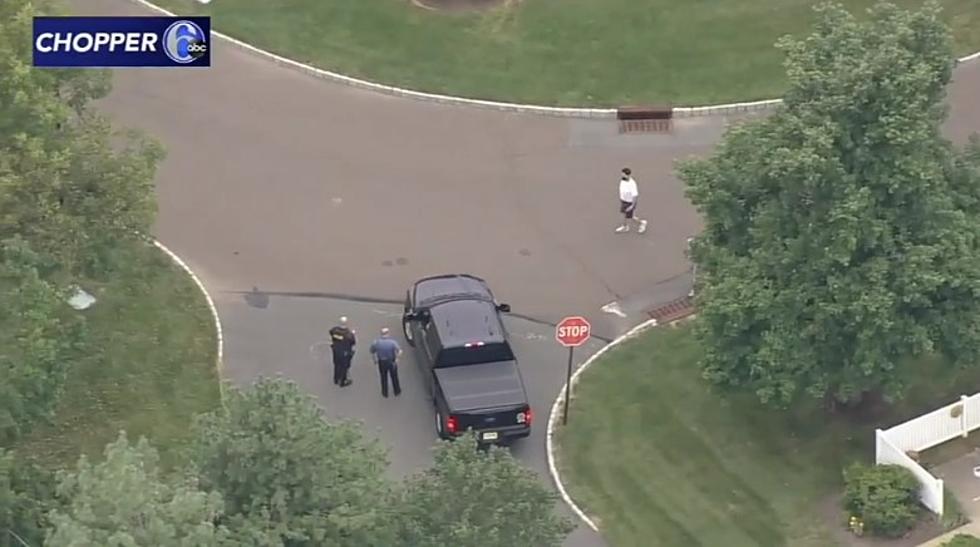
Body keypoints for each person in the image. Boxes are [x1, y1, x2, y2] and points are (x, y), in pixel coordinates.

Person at [369, 327, 402, 398]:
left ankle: (385, 392)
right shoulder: (392, 342)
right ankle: (397, 391)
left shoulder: (376, 343)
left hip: (382, 362)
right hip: (391, 361)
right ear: (388, 334)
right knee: (394, 377)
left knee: (383, 377)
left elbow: (372, 351)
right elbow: (399, 351)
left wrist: (374, 359)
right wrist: (397, 359)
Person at [616, 167, 648, 234]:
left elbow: (635, 195)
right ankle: (625, 226)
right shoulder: (623, 180)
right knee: (624, 214)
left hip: (629, 202)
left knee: (631, 217)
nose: (622, 175)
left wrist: (632, 206)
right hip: (624, 201)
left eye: (623, 174)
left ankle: (642, 223)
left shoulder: (632, 184)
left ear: (628, 175)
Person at [329, 316, 356, 387]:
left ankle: (336, 379)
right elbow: (353, 342)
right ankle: (343, 381)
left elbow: (331, 332)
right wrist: (353, 334)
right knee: (344, 367)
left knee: (336, 365)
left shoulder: (334, 330)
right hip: (345, 353)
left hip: (336, 351)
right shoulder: (349, 334)